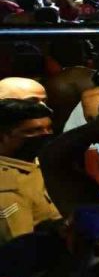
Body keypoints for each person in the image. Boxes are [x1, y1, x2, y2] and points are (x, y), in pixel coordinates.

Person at [0, 99, 61, 244]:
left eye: (49, 128)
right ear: (3, 136)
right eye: (33, 131)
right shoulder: (7, 188)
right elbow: (19, 250)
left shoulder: (33, 164)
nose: (45, 135)